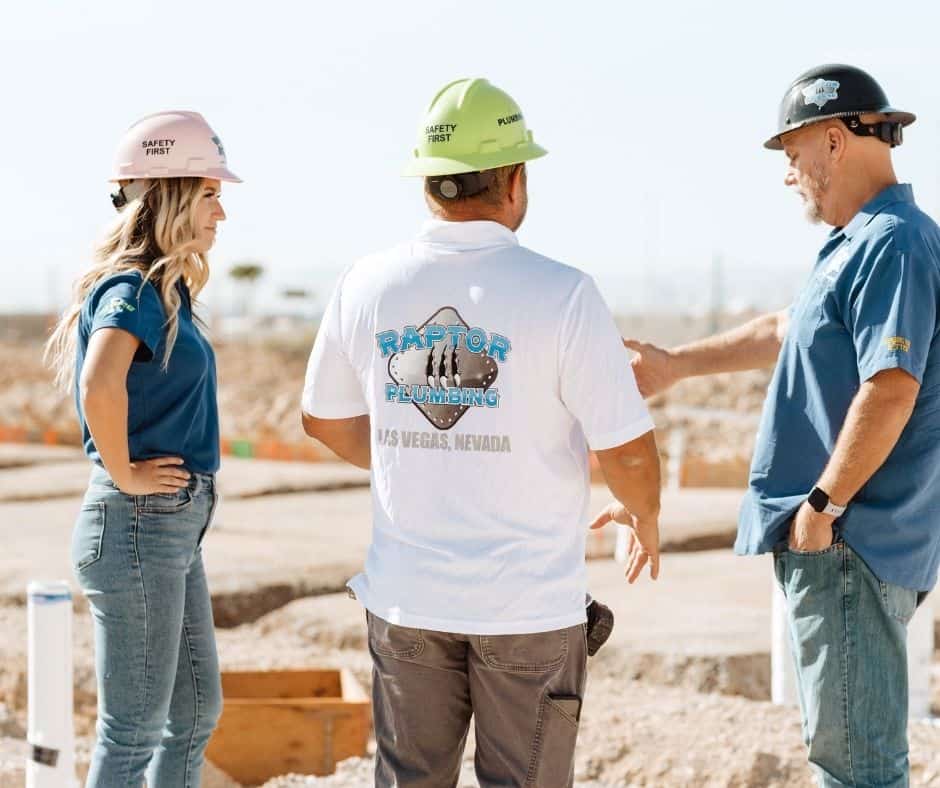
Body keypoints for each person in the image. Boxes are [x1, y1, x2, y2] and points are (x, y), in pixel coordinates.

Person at [301, 77, 661, 788]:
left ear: (428, 185)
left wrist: (415, 461)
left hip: (407, 602)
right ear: (514, 180)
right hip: (527, 610)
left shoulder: (365, 284)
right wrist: (643, 511)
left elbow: (323, 419)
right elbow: (626, 448)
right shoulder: (564, 293)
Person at [627, 64, 937, 787]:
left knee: (857, 767)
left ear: (835, 140)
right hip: (842, 547)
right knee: (849, 757)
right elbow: (783, 329)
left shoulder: (893, 243)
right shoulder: (860, 244)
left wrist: (822, 508)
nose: (789, 175)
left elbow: (890, 389)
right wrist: (674, 365)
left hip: (849, 544)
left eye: (794, 156)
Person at [45, 110, 240, 786]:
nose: (221, 212)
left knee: (191, 716)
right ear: (174, 194)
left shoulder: (165, 288)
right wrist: (125, 475)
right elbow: (100, 381)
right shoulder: (134, 287)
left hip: (167, 528)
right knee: (132, 732)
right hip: (138, 527)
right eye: (211, 193)